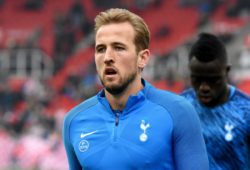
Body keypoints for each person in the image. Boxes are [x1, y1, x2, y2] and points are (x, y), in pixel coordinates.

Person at [63, 8, 208, 170]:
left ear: (142, 58)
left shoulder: (178, 112)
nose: (108, 57)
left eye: (118, 47)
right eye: (101, 49)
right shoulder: (74, 121)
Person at [181, 33, 250, 169]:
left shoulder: (245, 113)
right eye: (197, 79)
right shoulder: (179, 109)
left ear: (226, 71)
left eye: (213, 79)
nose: (204, 87)